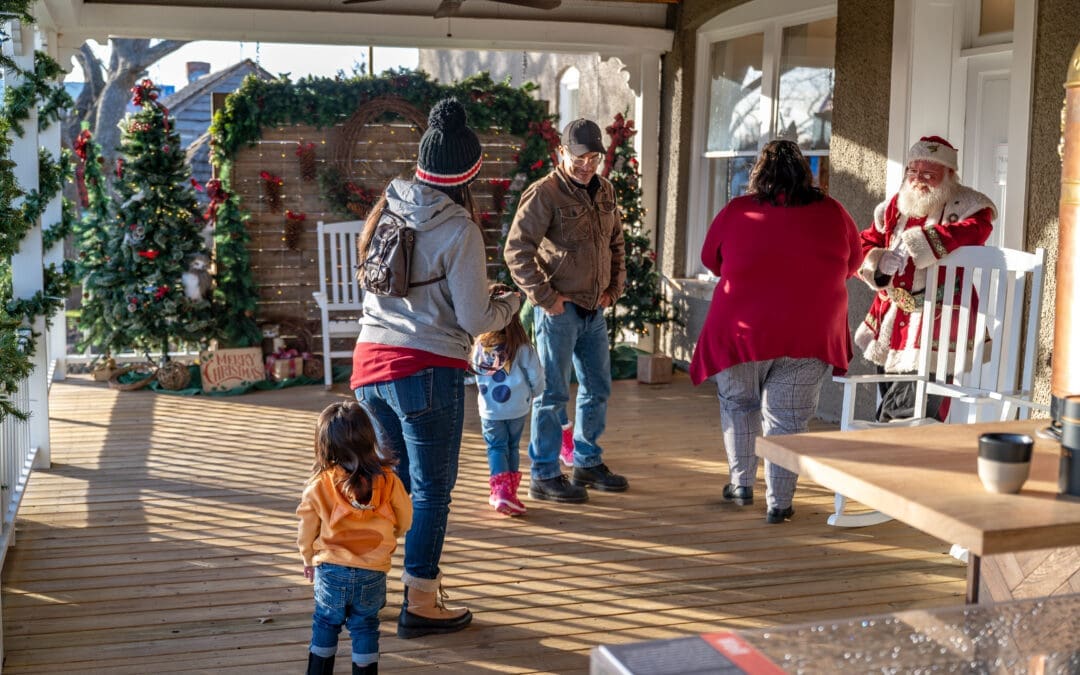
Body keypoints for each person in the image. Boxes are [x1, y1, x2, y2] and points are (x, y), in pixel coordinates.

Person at [351, 98, 521, 639]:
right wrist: (509, 304)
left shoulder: (388, 207)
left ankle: (364, 592)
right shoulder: (459, 228)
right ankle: (421, 602)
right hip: (424, 371)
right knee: (428, 491)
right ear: (468, 175)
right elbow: (475, 318)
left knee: (387, 485)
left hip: (367, 366)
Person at [689, 139, 862, 524]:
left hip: (741, 332)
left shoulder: (737, 211)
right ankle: (779, 504)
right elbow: (854, 261)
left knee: (740, 405)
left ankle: (741, 485)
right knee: (789, 420)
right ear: (806, 173)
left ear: (758, 173)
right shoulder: (832, 211)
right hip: (810, 332)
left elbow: (710, 260)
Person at [504, 117, 628, 504]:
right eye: (578, 157)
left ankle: (587, 461)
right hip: (560, 312)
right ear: (561, 153)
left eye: (593, 156)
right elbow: (517, 251)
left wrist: (614, 289)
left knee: (597, 388)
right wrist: (546, 298)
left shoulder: (605, 191)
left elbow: (617, 243)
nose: (586, 164)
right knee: (552, 394)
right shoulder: (545, 194)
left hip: (595, 311)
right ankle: (543, 473)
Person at [854, 135, 995, 421]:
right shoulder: (895, 205)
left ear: (950, 175)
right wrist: (879, 260)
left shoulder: (971, 205)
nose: (919, 180)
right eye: (913, 172)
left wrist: (918, 243)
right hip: (890, 321)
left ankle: (888, 457)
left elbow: (974, 231)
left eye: (929, 174)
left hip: (937, 324)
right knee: (892, 403)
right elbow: (862, 245)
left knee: (906, 415)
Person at [297, 401, 412, 675]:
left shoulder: (319, 485)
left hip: (331, 568)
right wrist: (394, 534)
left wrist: (307, 556)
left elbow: (307, 528)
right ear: (369, 438)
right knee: (365, 625)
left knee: (326, 623)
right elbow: (406, 517)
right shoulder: (389, 480)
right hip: (373, 570)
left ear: (325, 444)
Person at [471, 284, 545, 516]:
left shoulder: (480, 347)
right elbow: (536, 376)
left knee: (496, 447)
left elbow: (475, 374)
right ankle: (509, 493)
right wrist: (534, 393)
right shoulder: (522, 346)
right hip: (517, 408)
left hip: (491, 411)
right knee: (512, 447)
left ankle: (501, 492)